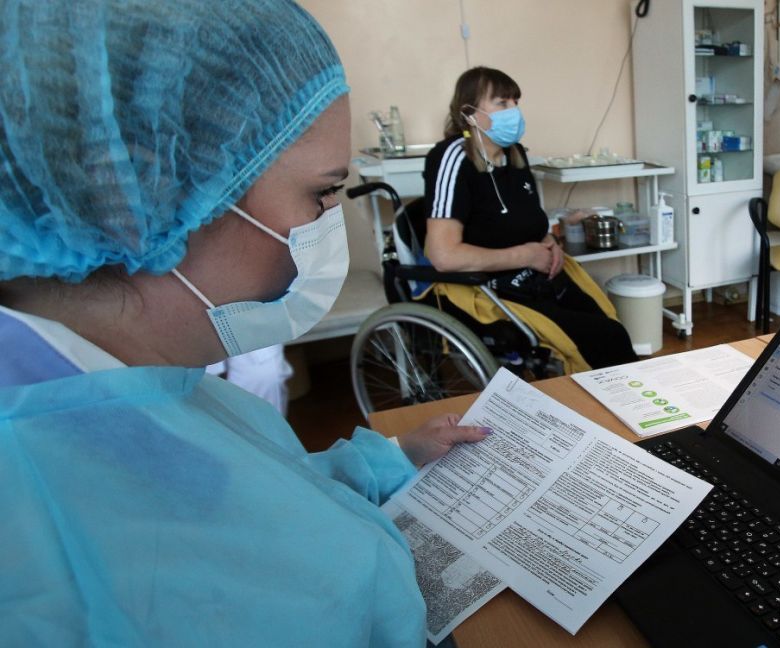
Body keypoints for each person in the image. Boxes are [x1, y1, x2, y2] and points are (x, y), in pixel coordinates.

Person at [0, 1, 489, 645]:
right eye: (320, 193)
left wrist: (394, 457)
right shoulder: (43, 539)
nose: (328, 225)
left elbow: (269, 498)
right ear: (132, 192)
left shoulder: (151, 387)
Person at [421, 66, 638, 371]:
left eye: (515, 102)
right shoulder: (453, 158)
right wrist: (526, 255)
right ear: (469, 113)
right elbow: (443, 256)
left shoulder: (515, 155)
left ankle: (624, 396)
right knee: (599, 339)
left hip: (536, 278)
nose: (514, 111)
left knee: (612, 328)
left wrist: (550, 244)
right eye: (502, 103)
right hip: (488, 290)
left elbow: (530, 223)